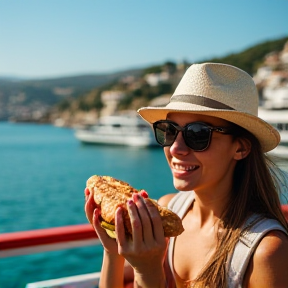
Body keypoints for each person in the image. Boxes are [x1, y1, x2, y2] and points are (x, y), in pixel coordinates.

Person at [85, 62, 288, 288]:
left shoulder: (265, 252)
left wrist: (149, 272)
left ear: (240, 148)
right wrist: (113, 250)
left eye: (198, 134)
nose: (175, 148)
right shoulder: (169, 212)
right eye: (169, 130)